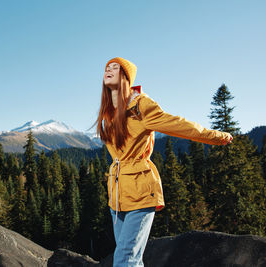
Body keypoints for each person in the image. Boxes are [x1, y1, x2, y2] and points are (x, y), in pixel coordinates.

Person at [94, 57, 233, 267]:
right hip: (117, 195)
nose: (109, 70)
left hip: (141, 190)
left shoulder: (140, 106)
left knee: (125, 259)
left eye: (116, 68)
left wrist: (215, 136)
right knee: (130, 259)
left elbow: (178, 124)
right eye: (107, 68)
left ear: (126, 77)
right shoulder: (109, 113)